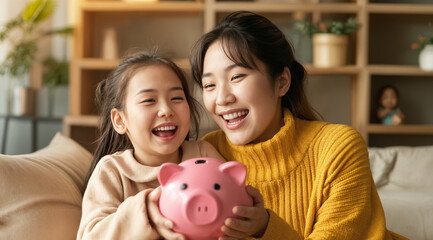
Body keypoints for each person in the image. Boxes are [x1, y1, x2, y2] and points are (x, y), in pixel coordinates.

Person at [190, 11, 408, 239]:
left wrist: (265, 227)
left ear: (282, 81)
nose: (222, 98)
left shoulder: (337, 147)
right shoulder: (206, 154)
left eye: (236, 77)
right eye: (209, 85)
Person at [77, 52, 229, 240]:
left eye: (176, 98)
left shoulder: (203, 155)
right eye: (149, 100)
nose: (166, 110)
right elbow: (91, 236)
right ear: (119, 120)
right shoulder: (112, 170)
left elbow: (232, 204)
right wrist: (145, 209)